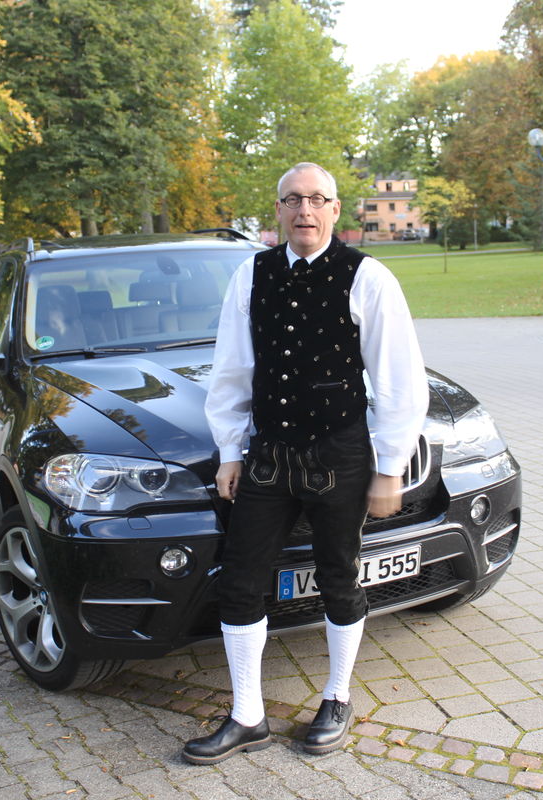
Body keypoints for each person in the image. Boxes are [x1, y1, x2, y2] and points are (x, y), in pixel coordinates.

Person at [182, 162, 428, 764]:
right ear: (279, 210)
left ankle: (337, 697)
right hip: (268, 456)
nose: (305, 210)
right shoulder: (251, 274)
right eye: (293, 200)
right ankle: (247, 716)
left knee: (339, 576)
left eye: (317, 199)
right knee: (241, 581)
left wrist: (390, 467)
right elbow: (232, 368)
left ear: (335, 210)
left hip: (340, 452)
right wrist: (229, 451)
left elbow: (399, 379)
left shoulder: (367, 277)